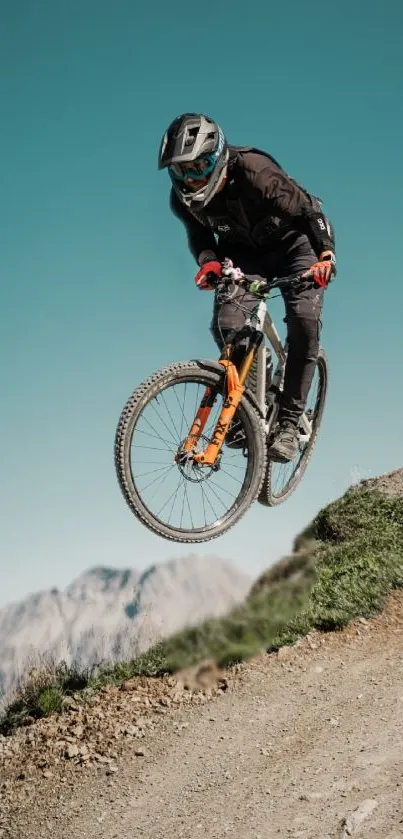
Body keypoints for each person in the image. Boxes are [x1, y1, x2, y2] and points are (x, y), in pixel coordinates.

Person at [158, 112, 336, 462]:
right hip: (243, 254)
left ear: (219, 155)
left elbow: (309, 213)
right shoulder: (181, 200)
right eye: (182, 172)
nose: (192, 179)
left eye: (200, 167)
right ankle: (250, 404)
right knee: (228, 326)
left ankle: (287, 423)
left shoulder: (258, 173)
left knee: (303, 321)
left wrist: (326, 256)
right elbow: (198, 235)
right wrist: (208, 259)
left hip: (295, 246)